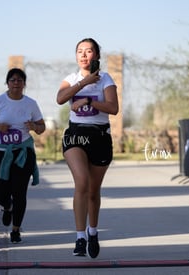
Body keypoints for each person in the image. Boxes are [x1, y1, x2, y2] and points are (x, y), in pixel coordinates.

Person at [56, 38, 119, 258]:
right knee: (81, 182)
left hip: (100, 136)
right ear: (76, 56)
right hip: (76, 135)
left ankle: (93, 232)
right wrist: (82, 84)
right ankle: (80, 237)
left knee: (93, 191)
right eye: (80, 51)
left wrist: (89, 102)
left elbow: (113, 108)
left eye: (89, 51)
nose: (84, 55)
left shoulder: (106, 79)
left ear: (97, 56)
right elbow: (60, 98)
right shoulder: (71, 79)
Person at [0, 68, 45, 244]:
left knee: (20, 192)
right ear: (7, 83)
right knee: (0, 193)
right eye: (12, 80)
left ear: (24, 83)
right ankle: (7, 207)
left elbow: (41, 126)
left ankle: (16, 229)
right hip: (0, 153)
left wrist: (34, 126)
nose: (16, 83)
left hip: (22, 153)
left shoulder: (31, 103)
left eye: (19, 80)